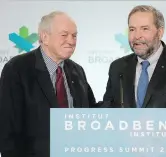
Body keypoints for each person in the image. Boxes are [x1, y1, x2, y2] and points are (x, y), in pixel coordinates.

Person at [103, 5, 166, 156]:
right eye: (132, 29)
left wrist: (150, 135)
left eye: (144, 29)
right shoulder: (117, 67)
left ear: (160, 32)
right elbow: (109, 108)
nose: (137, 35)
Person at [0, 11, 97, 157]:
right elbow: (7, 128)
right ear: (45, 37)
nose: (71, 41)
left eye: (74, 35)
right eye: (64, 35)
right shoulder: (17, 69)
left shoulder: (77, 71)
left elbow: (90, 112)